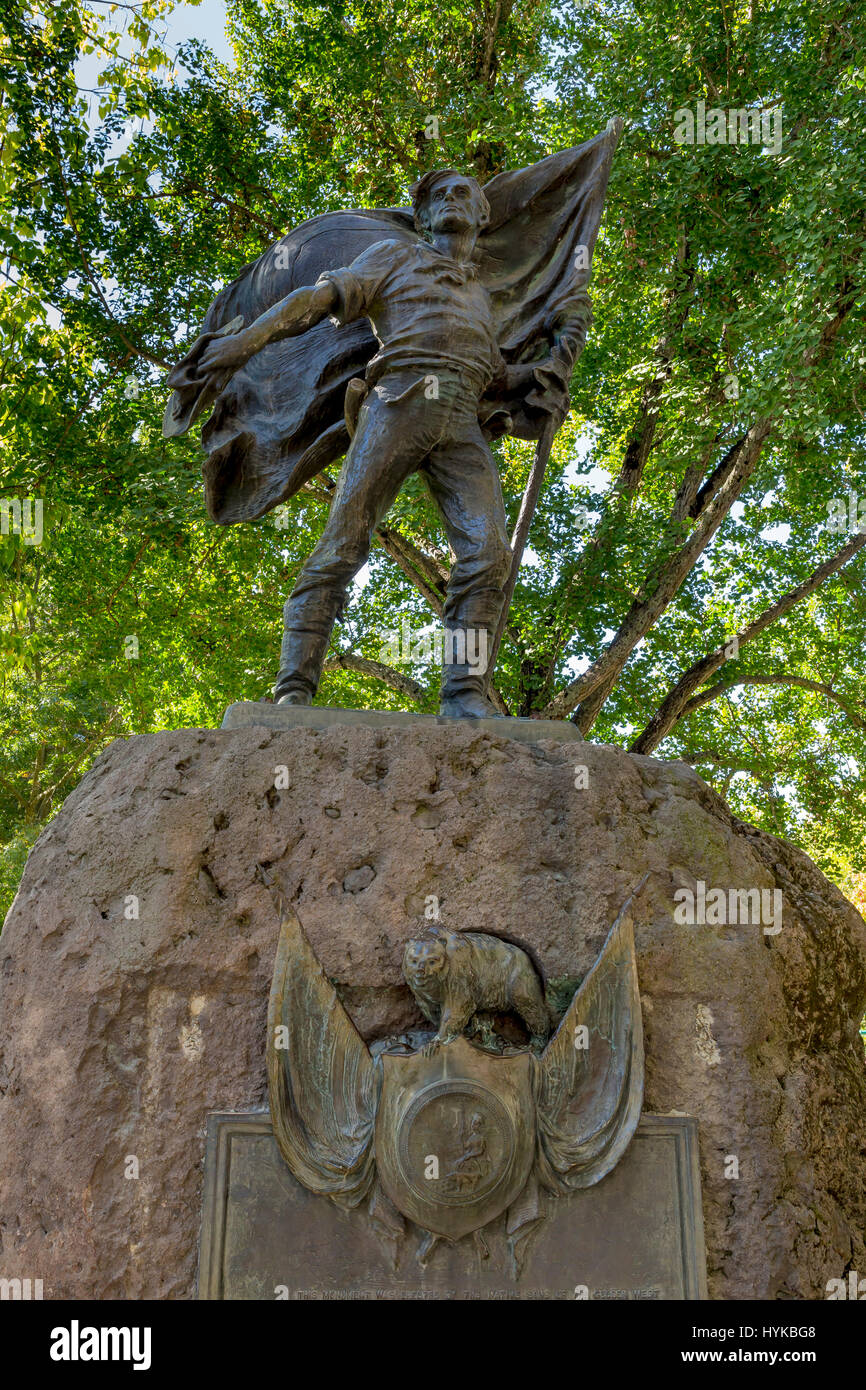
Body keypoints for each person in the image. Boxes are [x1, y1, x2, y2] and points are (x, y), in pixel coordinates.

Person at [194, 170, 568, 717]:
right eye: (438, 196)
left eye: (463, 192)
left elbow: (494, 376)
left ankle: (464, 693)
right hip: (398, 402)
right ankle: (294, 687)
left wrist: (548, 370)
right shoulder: (394, 256)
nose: (450, 199)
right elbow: (317, 298)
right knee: (344, 545)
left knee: (489, 555)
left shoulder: (480, 299)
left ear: (483, 216)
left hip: (461, 423)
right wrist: (248, 341)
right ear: (423, 218)